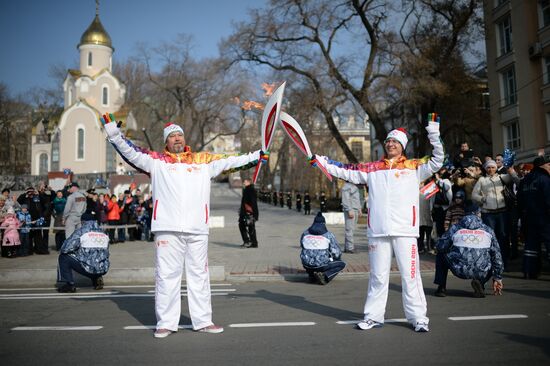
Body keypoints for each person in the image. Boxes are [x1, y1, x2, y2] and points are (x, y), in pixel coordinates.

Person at [103, 119, 266, 337]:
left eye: (179, 134)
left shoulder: (203, 161)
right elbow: (130, 152)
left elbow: (231, 161)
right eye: (172, 136)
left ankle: (203, 321)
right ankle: (166, 322)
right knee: (166, 276)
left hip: (197, 228)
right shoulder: (156, 161)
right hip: (167, 228)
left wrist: (257, 156)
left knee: (199, 275)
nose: (177, 138)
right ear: (166, 142)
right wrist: (114, 134)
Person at [314, 115, 444, 333]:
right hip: (378, 231)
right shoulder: (372, 168)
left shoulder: (415, 166)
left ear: (402, 146)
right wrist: (321, 162)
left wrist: (434, 133)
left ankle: (418, 318)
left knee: (410, 276)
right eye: (388, 141)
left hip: (405, 231)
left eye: (395, 142)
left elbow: (438, 160)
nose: (390, 144)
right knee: (378, 276)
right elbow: (345, 169)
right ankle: (373, 317)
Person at [434, 201, 504, 298]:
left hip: (459, 269)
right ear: (478, 213)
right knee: (493, 255)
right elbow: (497, 256)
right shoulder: (488, 230)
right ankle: (481, 283)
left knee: (440, 254)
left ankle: (441, 288)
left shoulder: (455, 228)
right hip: (481, 271)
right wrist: (497, 278)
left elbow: (440, 246)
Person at [471, 159, 519, 264]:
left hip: (502, 212)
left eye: (493, 167)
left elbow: (513, 178)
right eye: (488, 167)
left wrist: (510, 168)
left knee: (504, 236)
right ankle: (492, 260)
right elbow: (474, 195)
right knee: (490, 237)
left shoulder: (501, 177)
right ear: (485, 168)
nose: (491, 169)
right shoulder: (482, 180)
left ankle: (503, 260)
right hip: (488, 214)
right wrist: (482, 199)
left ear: (496, 168)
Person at [56, 213, 110, 293]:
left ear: (83, 221)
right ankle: (97, 278)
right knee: (94, 259)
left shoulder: (82, 231)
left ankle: (69, 285)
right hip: (103, 268)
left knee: (63, 257)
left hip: (89, 267)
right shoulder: (103, 233)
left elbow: (65, 248)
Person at [517, 155, 550, 279]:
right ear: (543, 166)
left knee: (531, 246)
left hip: (529, 218)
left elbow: (519, 200)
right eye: (549, 165)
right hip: (545, 218)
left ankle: (529, 271)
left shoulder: (525, 180)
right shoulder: (545, 179)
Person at [300, 212, 346, 285]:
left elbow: (302, 246)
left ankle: (311, 276)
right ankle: (325, 276)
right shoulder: (328, 235)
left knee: (308, 255)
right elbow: (336, 252)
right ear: (324, 224)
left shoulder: (305, 233)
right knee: (342, 264)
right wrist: (335, 258)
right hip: (321, 265)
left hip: (306, 264)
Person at [341, 182, 362, 254]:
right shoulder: (347, 186)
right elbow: (345, 199)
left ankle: (347, 247)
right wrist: (349, 209)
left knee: (351, 229)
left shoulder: (354, 186)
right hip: (351, 209)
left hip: (355, 209)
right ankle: (350, 248)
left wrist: (359, 209)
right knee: (349, 229)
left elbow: (356, 198)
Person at [238, 178, 259, 248]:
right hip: (247, 212)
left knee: (243, 225)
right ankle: (254, 243)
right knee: (251, 227)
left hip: (248, 213)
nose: (244, 182)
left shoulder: (250, 190)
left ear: (248, 182)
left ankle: (247, 241)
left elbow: (252, 203)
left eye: (245, 181)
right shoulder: (248, 189)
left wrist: (249, 213)